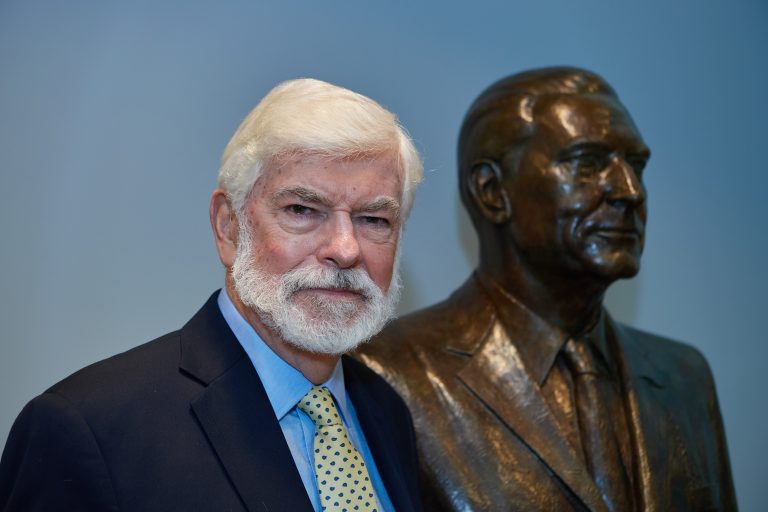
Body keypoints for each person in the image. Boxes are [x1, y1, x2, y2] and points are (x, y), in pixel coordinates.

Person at [0, 78, 424, 512]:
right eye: (301, 210)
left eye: (374, 219)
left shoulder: (385, 411)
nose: (345, 249)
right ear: (228, 227)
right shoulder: (87, 429)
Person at [355, 67, 737, 511]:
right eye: (587, 163)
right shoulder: (385, 374)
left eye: (636, 166)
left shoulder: (684, 377)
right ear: (492, 191)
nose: (629, 191)